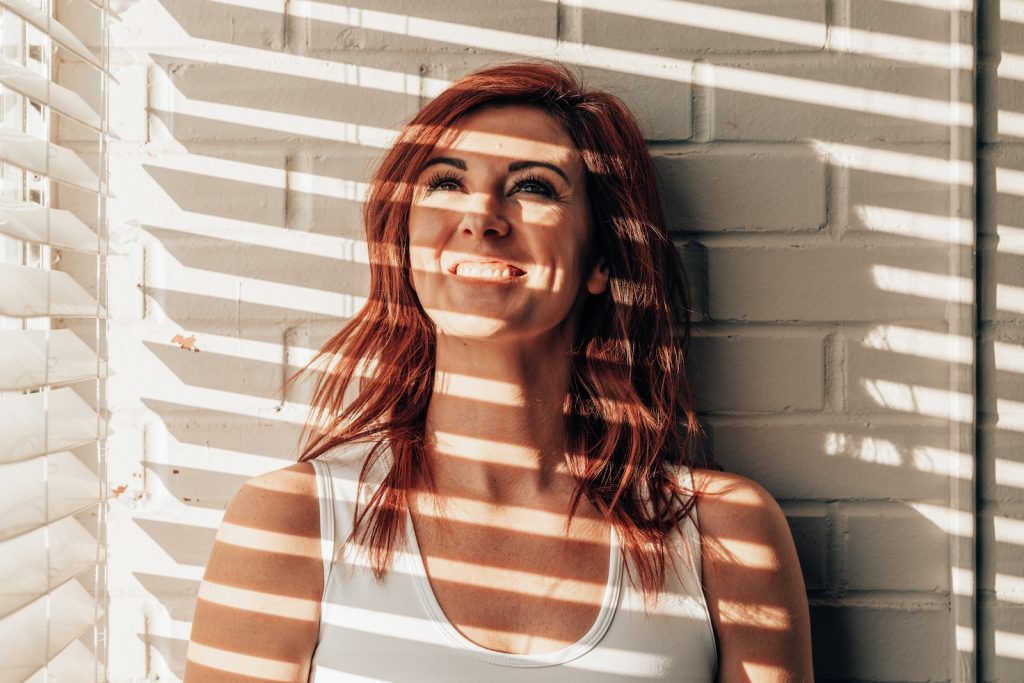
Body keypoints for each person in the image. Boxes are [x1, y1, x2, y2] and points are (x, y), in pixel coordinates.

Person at [183, 61, 813, 682]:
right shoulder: (290, 522)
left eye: (533, 187)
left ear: (602, 257)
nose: (481, 216)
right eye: (445, 182)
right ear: (406, 246)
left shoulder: (723, 534)